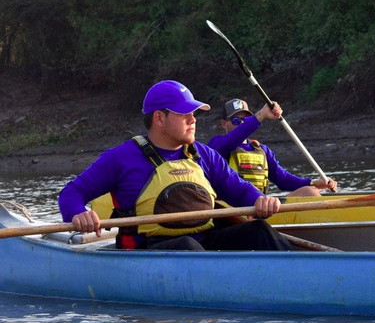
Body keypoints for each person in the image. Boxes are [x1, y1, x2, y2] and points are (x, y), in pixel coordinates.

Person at [58, 80, 295, 251]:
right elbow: (71, 193)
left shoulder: (205, 155)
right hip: (150, 251)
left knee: (259, 231)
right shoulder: (120, 158)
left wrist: (259, 200)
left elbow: (240, 190)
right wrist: (79, 214)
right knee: (187, 246)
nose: (193, 119)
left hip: (203, 245)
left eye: (194, 113)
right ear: (159, 118)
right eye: (185, 113)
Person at [207, 98, 337, 197]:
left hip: (260, 206)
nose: (241, 123)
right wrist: (261, 115)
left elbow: (283, 180)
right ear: (224, 124)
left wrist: (314, 183)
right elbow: (233, 139)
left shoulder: (262, 150)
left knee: (310, 192)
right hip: (232, 210)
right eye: (236, 120)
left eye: (245, 119)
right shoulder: (216, 146)